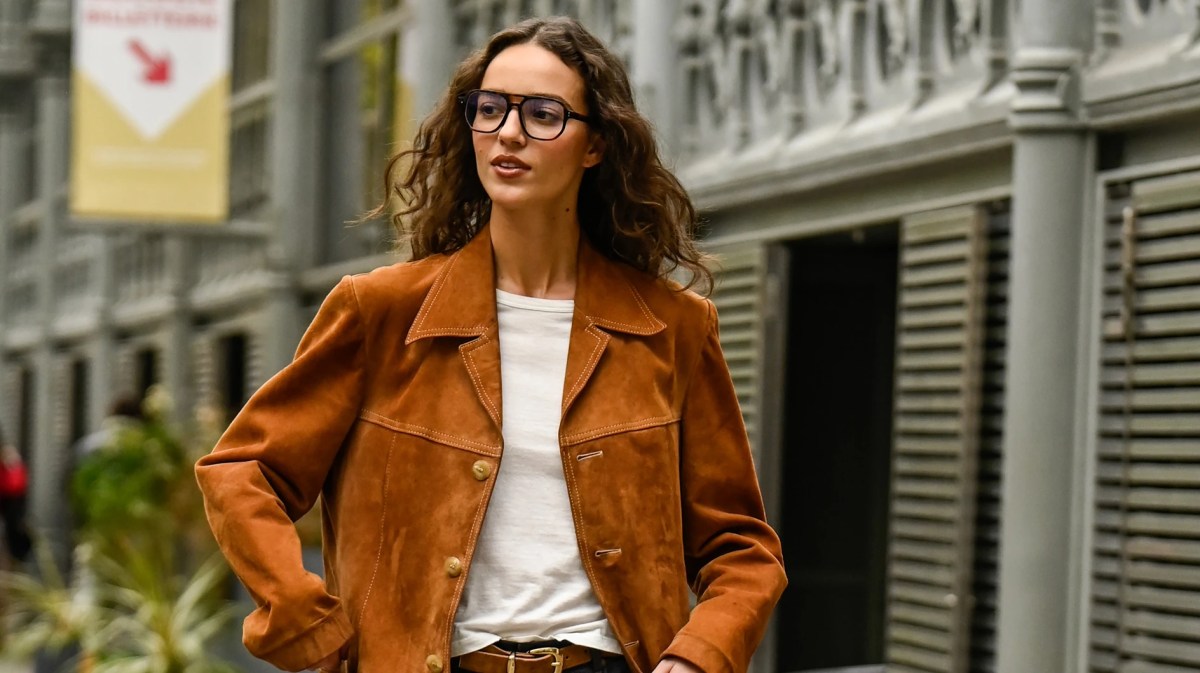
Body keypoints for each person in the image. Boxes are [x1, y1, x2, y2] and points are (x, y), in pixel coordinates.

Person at [195, 16, 785, 673]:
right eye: (490, 109)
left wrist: (700, 656)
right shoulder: (384, 312)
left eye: (542, 114)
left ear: (595, 145)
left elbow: (742, 548)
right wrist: (307, 623)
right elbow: (242, 472)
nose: (508, 132)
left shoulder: (671, 328)